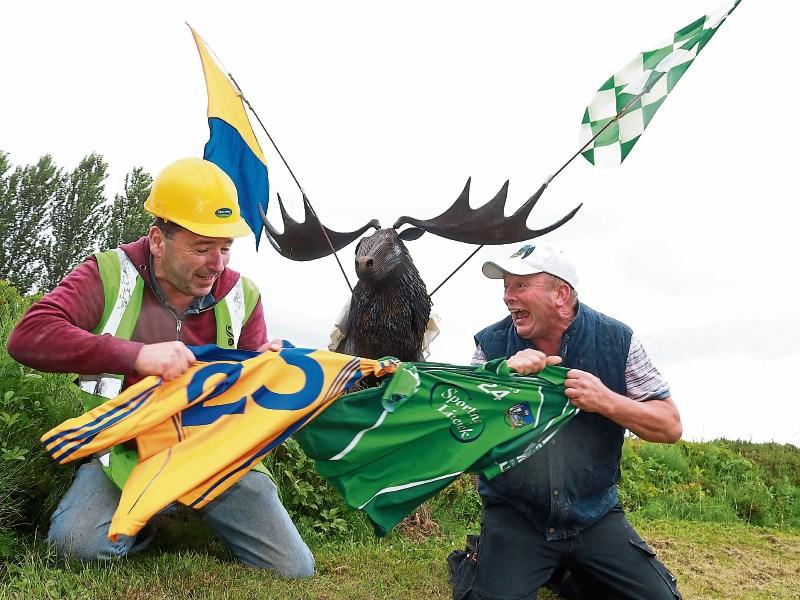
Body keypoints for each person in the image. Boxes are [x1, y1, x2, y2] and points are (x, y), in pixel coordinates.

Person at [7, 157, 314, 577]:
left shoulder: (244, 295)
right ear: (157, 239)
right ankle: (152, 516)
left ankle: (181, 503)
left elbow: (251, 391)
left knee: (293, 571)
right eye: (202, 248)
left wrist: (271, 365)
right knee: (76, 548)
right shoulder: (108, 273)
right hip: (126, 451)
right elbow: (28, 337)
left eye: (225, 247)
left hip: (215, 453)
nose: (217, 264)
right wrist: (134, 354)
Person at [454, 243, 682, 599]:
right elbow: (462, 433)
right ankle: (485, 559)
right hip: (518, 516)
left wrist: (606, 400)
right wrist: (502, 379)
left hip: (593, 514)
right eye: (505, 287)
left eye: (519, 286)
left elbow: (669, 426)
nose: (507, 297)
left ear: (561, 294)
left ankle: (568, 573)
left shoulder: (616, 340)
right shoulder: (491, 345)